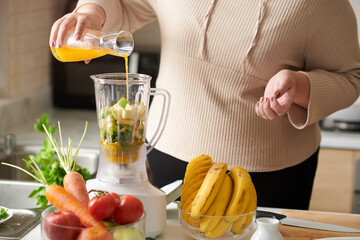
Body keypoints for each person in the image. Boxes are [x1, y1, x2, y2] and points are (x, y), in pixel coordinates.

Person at [50, 0, 360, 210]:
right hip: (166, 156)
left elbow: (350, 77)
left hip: (269, 175)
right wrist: (90, 13)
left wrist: (301, 86)